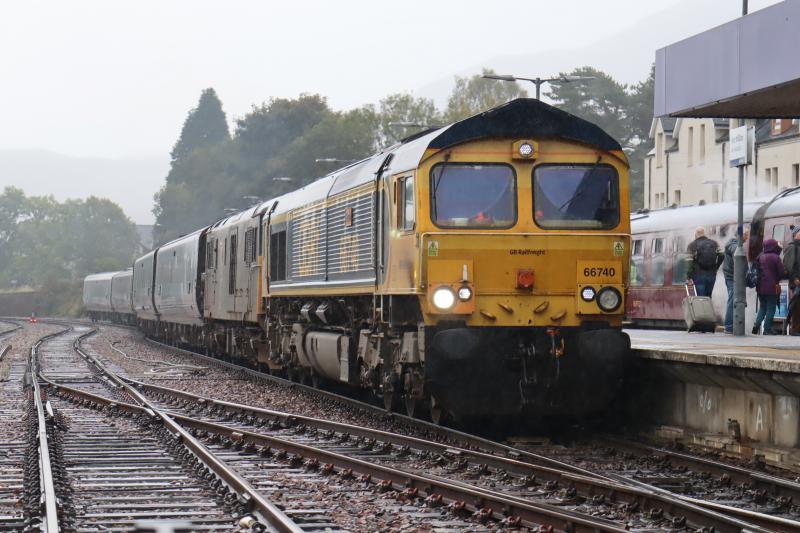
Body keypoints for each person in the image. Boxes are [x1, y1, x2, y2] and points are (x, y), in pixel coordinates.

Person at [752, 238, 786, 335]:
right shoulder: (775, 257)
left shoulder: (760, 257)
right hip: (771, 287)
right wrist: (778, 278)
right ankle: (767, 328)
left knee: (762, 307)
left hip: (760, 287)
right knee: (771, 308)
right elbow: (781, 272)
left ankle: (756, 326)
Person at [722, 228, 749, 333]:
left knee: (734, 299)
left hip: (734, 276)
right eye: (746, 235)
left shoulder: (733, 244)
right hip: (732, 277)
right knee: (733, 299)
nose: (747, 238)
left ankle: (733, 324)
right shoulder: (734, 245)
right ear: (741, 235)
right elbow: (735, 251)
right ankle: (729, 325)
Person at [687, 227, 723, 297]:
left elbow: (689, 262)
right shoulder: (714, 243)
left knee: (700, 299)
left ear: (696, 234)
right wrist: (716, 267)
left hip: (698, 275)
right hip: (711, 275)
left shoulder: (692, 245)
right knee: (708, 297)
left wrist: (688, 277)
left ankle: (700, 308)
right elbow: (722, 255)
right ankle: (707, 308)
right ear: (704, 234)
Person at [782, 226, 800, 335]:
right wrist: (794, 278)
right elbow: (789, 265)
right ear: (796, 234)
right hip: (797, 282)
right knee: (796, 306)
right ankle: (794, 329)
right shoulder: (792, 248)